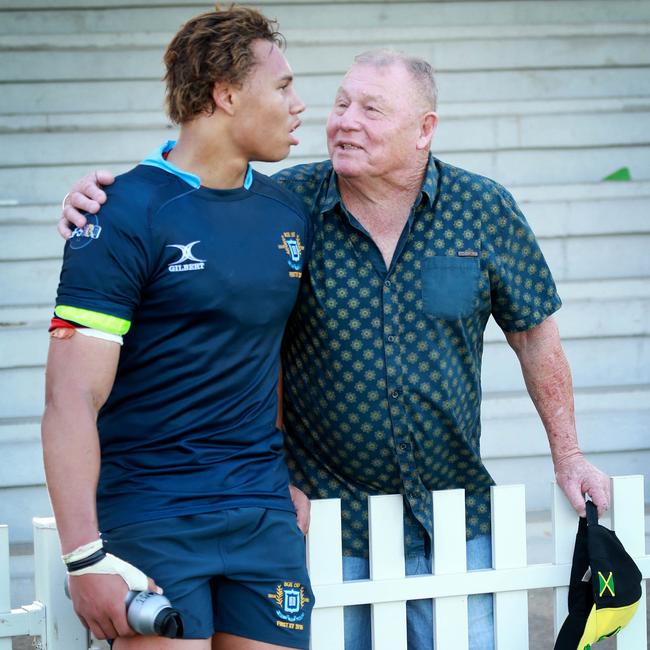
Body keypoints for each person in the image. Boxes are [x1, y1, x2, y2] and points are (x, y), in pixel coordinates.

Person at [59, 48, 610, 650]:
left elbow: (535, 338)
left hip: (454, 519)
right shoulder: (281, 207)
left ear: (424, 129)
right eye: (341, 104)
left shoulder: (483, 210)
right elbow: (203, 227)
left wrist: (570, 454)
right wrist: (95, 201)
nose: (345, 121)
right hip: (323, 521)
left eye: (371, 109)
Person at [43, 6, 314, 650]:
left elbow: (264, 350)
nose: (300, 105)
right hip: (153, 516)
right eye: (282, 87)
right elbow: (70, 399)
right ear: (225, 95)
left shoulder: (289, 209)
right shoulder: (123, 212)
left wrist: (284, 480)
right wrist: (84, 557)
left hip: (262, 515)